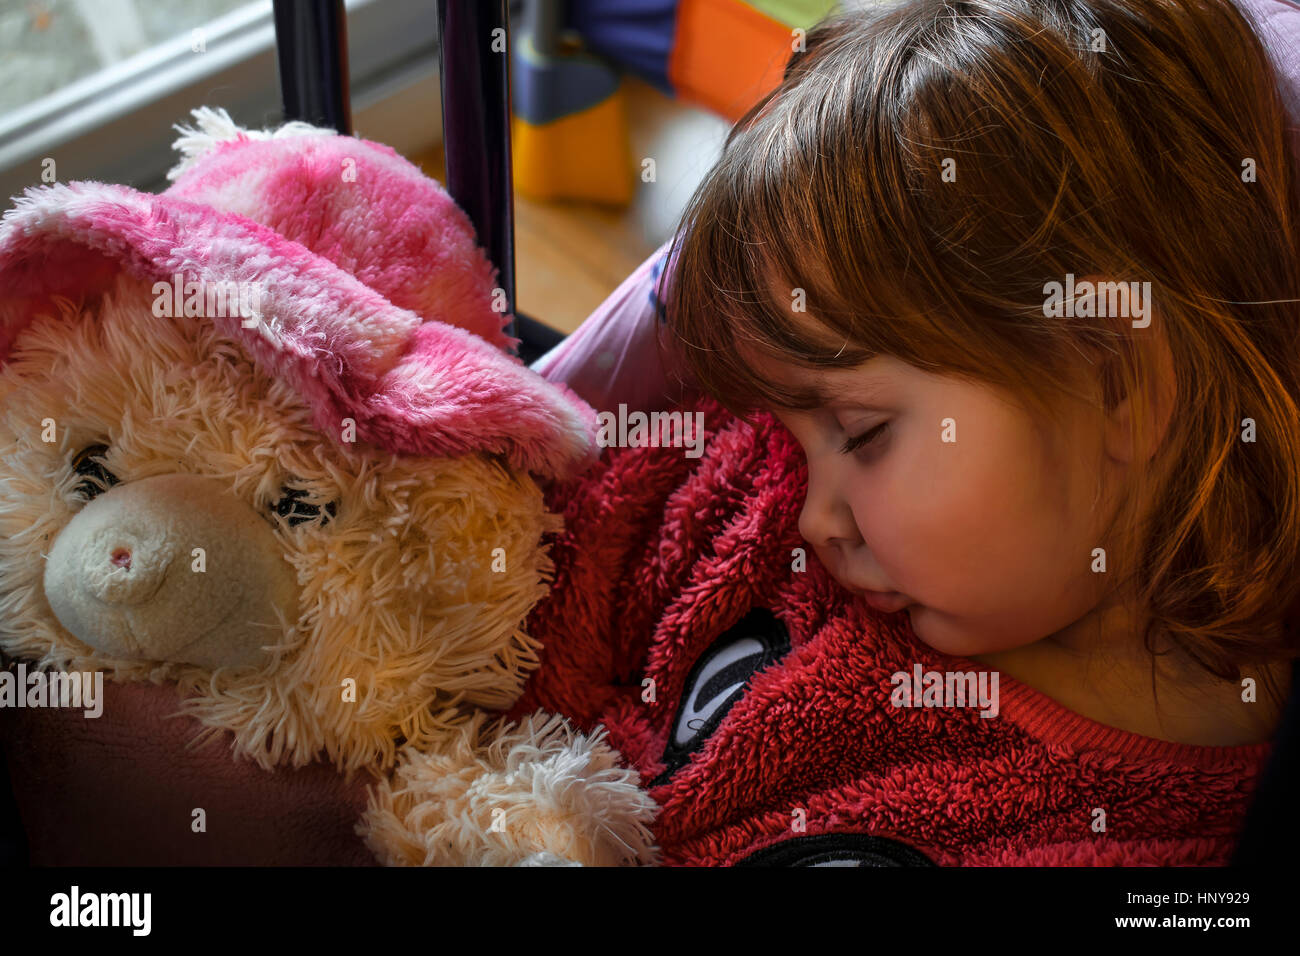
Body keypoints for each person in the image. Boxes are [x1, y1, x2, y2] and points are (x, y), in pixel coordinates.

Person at [540, 0, 1300, 752]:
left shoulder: (1160, 824)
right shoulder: (750, 487)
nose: (812, 524)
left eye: (864, 436)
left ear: (1118, 382)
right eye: (792, 438)